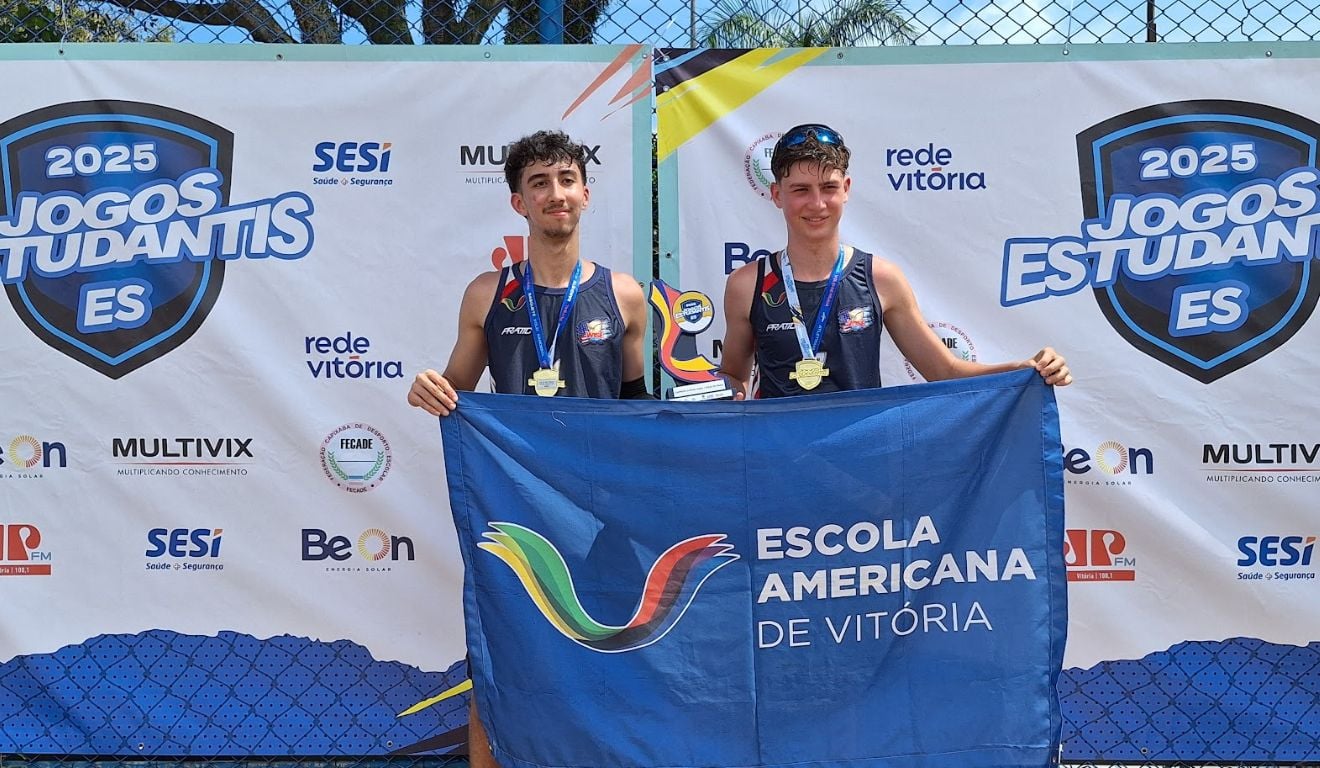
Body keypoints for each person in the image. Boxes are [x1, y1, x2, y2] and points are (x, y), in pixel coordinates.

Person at [405, 129, 650, 768]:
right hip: (517, 509)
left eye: (565, 180)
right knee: (502, 656)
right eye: (538, 183)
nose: (554, 194)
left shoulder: (624, 295)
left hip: (602, 512)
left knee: (611, 651)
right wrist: (430, 387)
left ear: (586, 195)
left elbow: (637, 407)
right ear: (519, 203)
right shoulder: (489, 293)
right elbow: (456, 391)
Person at [720, 123, 1072, 398]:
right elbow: (733, 373)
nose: (817, 204)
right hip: (777, 465)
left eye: (828, 188)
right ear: (777, 195)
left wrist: (1024, 368)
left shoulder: (880, 278)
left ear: (846, 189)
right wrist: (728, 393)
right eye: (800, 190)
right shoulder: (748, 284)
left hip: (860, 466)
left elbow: (944, 370)